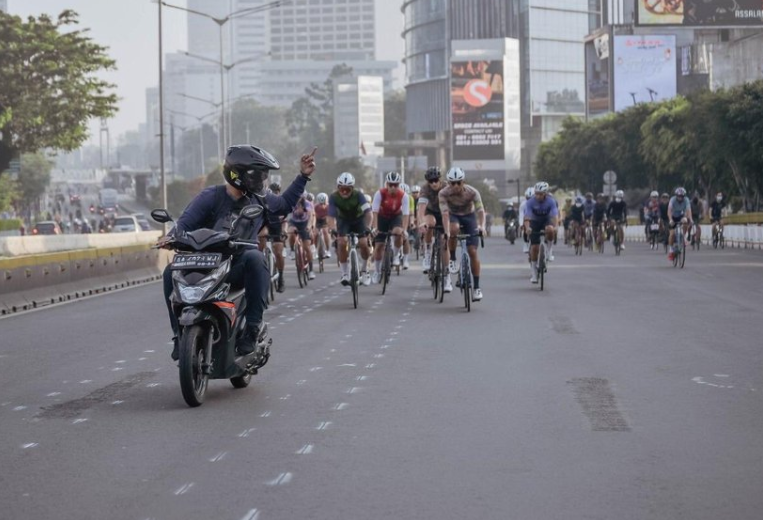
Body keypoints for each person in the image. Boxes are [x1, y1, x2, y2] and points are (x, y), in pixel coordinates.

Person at [160, 145, 315, 361]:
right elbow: (183, 225)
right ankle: (178, 335)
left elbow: (284, 205)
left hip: (236, 266)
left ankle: (252, 328)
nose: (262, 180)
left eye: (264, 175)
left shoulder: (260, 197)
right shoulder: (210, 196)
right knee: (170, 272)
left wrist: (303, 177)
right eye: (257, 175)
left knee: (255, 257)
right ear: (239, 174)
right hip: (204, 266)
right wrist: (169, 237)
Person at [439, 167, 485, 301]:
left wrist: (482, 226)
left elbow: (480, 210)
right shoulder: (443, 193)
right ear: (448, 183)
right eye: (452, 183)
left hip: (469, 216)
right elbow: (445, 214)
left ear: (463, 182)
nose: (455, 186)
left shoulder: (472, 192)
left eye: (458, 182)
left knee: (472, 251)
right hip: (453, 216)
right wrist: (447, 232)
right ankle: (452, 258)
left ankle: (476, 287)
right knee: (453, 229)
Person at [327, 172, 373, 286]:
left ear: (352, 188)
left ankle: (364, 270)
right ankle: (344, 273)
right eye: (342, 189)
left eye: (347, 190)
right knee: (342, 242)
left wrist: (368, 227)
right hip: (344, 221)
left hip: (359, 220)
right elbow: (331, 216)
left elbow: (369, 213)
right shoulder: (333, 197)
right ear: (338, 187)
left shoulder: (359, 195)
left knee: (363, 243)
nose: (344, 192)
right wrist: (332, 229)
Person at [372, 172, 410, 283]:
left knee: (398, 232)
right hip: (382, 217)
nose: (393, 187)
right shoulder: (379, 193)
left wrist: (405, 229)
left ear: (399, 185)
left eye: (396, 185)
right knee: (379, 246)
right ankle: (377, 271)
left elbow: (406, 214)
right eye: (390, 185)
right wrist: (375, 227)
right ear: (386, 184)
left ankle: (396, 255)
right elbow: (374, 211)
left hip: (395, 216)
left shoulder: (404, 195)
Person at [523, 182, 558, 284]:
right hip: (534, 222)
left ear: (545, 194)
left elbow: (555, 216)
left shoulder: (551, 201)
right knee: (534, 248)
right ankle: (534, 273)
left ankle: (549, 250)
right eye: (536, 193)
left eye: (541, 194)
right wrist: (528, 228)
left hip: (546, 220)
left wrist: (555, 227)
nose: (538, 196)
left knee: (550, 230)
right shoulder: (530, 202)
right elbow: (526, 218)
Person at [258, 182, 288, 293]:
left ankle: (280, 277)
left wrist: (284, 231)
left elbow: (285, 222)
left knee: (278, 251)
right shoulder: (261, 205)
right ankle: (260, 264)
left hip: (277, 228)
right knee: (261, 239)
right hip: (266, 226)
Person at [417, 167, 445, 273]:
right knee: (430, 223)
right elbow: (421, 208)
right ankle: (428, 252)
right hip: (430, 212)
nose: (434, 183)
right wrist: (421, 222)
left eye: (436, 180)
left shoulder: (446, 187)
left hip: (443, 213)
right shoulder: (424, 189)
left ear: (440, 179)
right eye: (431, 181)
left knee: (446, 236)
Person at [287, 192, 316, 280]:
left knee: (307, 247)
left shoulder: (307, 203)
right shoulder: (291, 202)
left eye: (299, 197)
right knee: (291, 233)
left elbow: (311, 215)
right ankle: (292, 250)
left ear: (303, 198)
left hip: (304, 223)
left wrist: (309, 226)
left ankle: (311, 270)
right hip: (294, 222)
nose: (297, 199)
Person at [667, 187, 693, 261]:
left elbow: (688, 210)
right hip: (673, 217)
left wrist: (690, 219)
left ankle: (683, 237)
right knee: (672, 234)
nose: (680, 198)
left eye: (682, 196)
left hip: (681, 216)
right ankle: (671, 249)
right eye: (678, 196)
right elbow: (669, 211)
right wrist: (670, 220)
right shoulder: (672, 200)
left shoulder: (686, 200)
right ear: (676, 196)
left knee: (685, 221)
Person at [314, 192, 331, 259]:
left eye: (324, 203)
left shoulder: (329, 207)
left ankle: (327, 249)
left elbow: (330, 217)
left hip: (325, 221)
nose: (322, 205)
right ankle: (314, 250)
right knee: (315, 234)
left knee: (325, 232)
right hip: (317, 221)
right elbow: (312, 215)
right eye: (321, 204)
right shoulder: (315, 207)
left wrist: (330, 226)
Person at [519, 187, 534, 254]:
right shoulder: (523, 204)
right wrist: (521, 224)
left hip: (535, 219)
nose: (529, 200)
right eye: (528, 198)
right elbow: (521, 214)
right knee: (525, 228)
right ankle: (525, 244)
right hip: (526, 219)